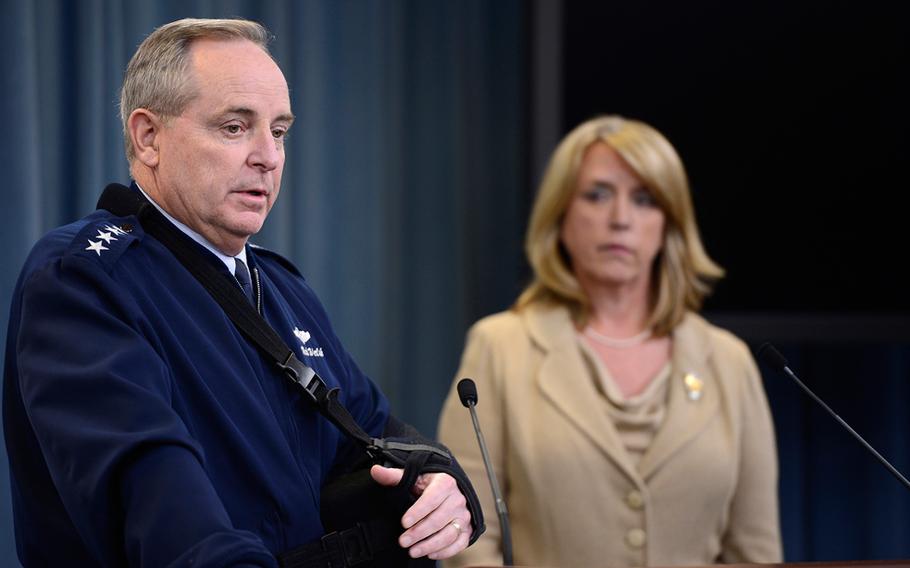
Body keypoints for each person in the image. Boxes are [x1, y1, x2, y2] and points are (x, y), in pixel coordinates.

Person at [3, 18, 480, 567]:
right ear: (148, 137)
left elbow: (377, 436)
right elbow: (159, 505)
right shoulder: (85, 280)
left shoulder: (281, 288)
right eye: (235, 127)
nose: (268, 157)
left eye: (278, 131)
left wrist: (443, 485)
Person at [437, 115, 783, 567]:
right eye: (597, 195)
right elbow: (468, 539)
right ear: (560, 216)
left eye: (644, 200)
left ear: (669, 225)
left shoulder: (728, 361)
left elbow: (755, 552)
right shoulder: (499, 347)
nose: (620, 219)